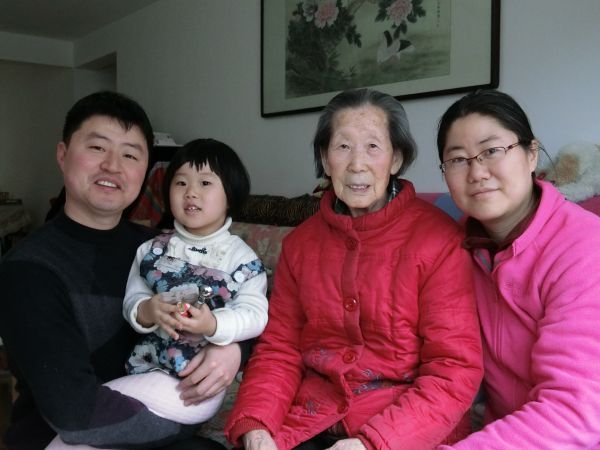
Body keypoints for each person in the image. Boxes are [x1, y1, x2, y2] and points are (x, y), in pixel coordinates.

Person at [224, 88, 483, 450]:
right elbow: (279, 348)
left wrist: (372, 443)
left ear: (396, 158)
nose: (357, 164)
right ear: (325, 158)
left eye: (373, 146)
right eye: (343, 147)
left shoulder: (439, 241)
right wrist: (257, 425)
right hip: (312, 421)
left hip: (403, 431)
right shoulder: (301, 244)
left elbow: (453, 369)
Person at [0, 91, 245, 450]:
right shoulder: (28, 270)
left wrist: (234, 348)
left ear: (144, 171)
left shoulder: (160, 249)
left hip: (144, 420)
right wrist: (184, 424)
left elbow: (247, 301)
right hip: (65, 438)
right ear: (63, 155)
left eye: (130, 154)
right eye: (97, 148)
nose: (113, 166)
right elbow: (75, 415)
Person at [435, 89, 600, 449]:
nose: (477, 172)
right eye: (458, 159)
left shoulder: (586, 247)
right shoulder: (451, 247)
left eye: (492, 151)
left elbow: (575, 412)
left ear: (531, 154)